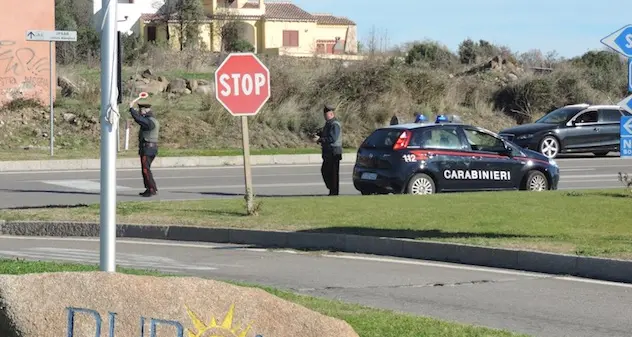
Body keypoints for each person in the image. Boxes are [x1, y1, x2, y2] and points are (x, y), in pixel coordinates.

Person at [129, 97, 160, 197]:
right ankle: (150, 188)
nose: (140, 111)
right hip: (151, 148)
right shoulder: (152, 120)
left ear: (146, 110)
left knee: (146, 170)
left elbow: (138, 119)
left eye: (141, 110)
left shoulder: (149, 122)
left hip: (148, 149)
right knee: (146, 169)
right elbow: (140, 118)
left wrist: (131, 109)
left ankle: (151, 189)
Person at [316, 104, 343, 196]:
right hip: (328, 152)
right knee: (325, 171)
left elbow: (333, 138)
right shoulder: (328, 124)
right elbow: (326, 134)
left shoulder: (335, 124)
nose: (325, 116)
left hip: (334, 152)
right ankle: (332, 189)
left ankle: (334, 192)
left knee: (333, 173)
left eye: (326, 114)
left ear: (331, 114)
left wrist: (322, 139)